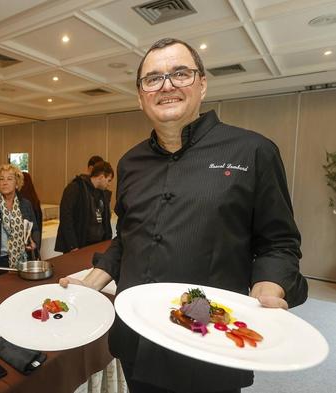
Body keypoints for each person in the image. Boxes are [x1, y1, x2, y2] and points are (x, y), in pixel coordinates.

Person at [60, 38, 308, 393]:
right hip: (137, 337)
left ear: (203, 84)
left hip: (208, 344)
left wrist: (267, 287)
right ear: (140, 95)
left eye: (180, 73)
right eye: (153, 78)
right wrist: (92, 282)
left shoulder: (253, 151)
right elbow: (127, 237)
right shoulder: (130, 163)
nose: (167, 86)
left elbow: (279, 243)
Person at [55, 161, 114, 253]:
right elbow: (66, 217)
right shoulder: (75, 188)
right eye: (109, 180)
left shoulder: (102, 194)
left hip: (98, 244)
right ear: (101, 177)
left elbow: (105, 221)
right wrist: (72, 245)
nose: (109, 184)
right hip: (79, 245)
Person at [19, 172, 43, 249]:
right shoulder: (34, 199)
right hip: (33, 243)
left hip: (26, 243)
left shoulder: (23, 202)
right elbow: (38, 226)